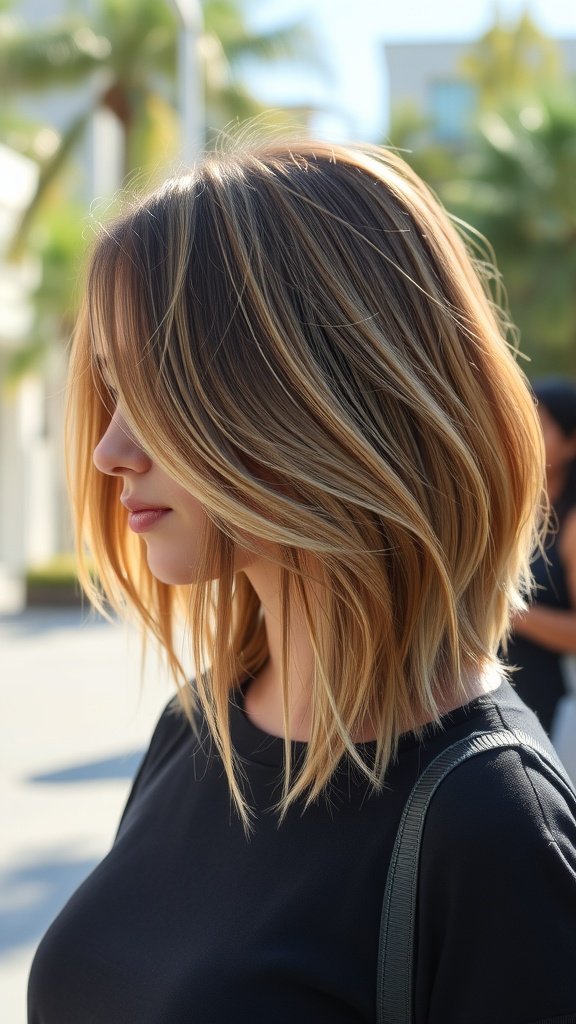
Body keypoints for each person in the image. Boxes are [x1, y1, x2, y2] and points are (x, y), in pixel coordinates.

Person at [28, 139, 576, 1024]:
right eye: (113, 389)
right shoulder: (198, 725)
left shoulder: (492, 827)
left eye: (162, 387)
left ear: (313, 396)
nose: (110, 451)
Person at [506, 377, 576, 740]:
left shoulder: (572, 522)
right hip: (504, 693)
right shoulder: (513, 506)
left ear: (571, 443)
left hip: (553, 707)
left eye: (542, 424)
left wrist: (507, 611)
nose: (527, 433)